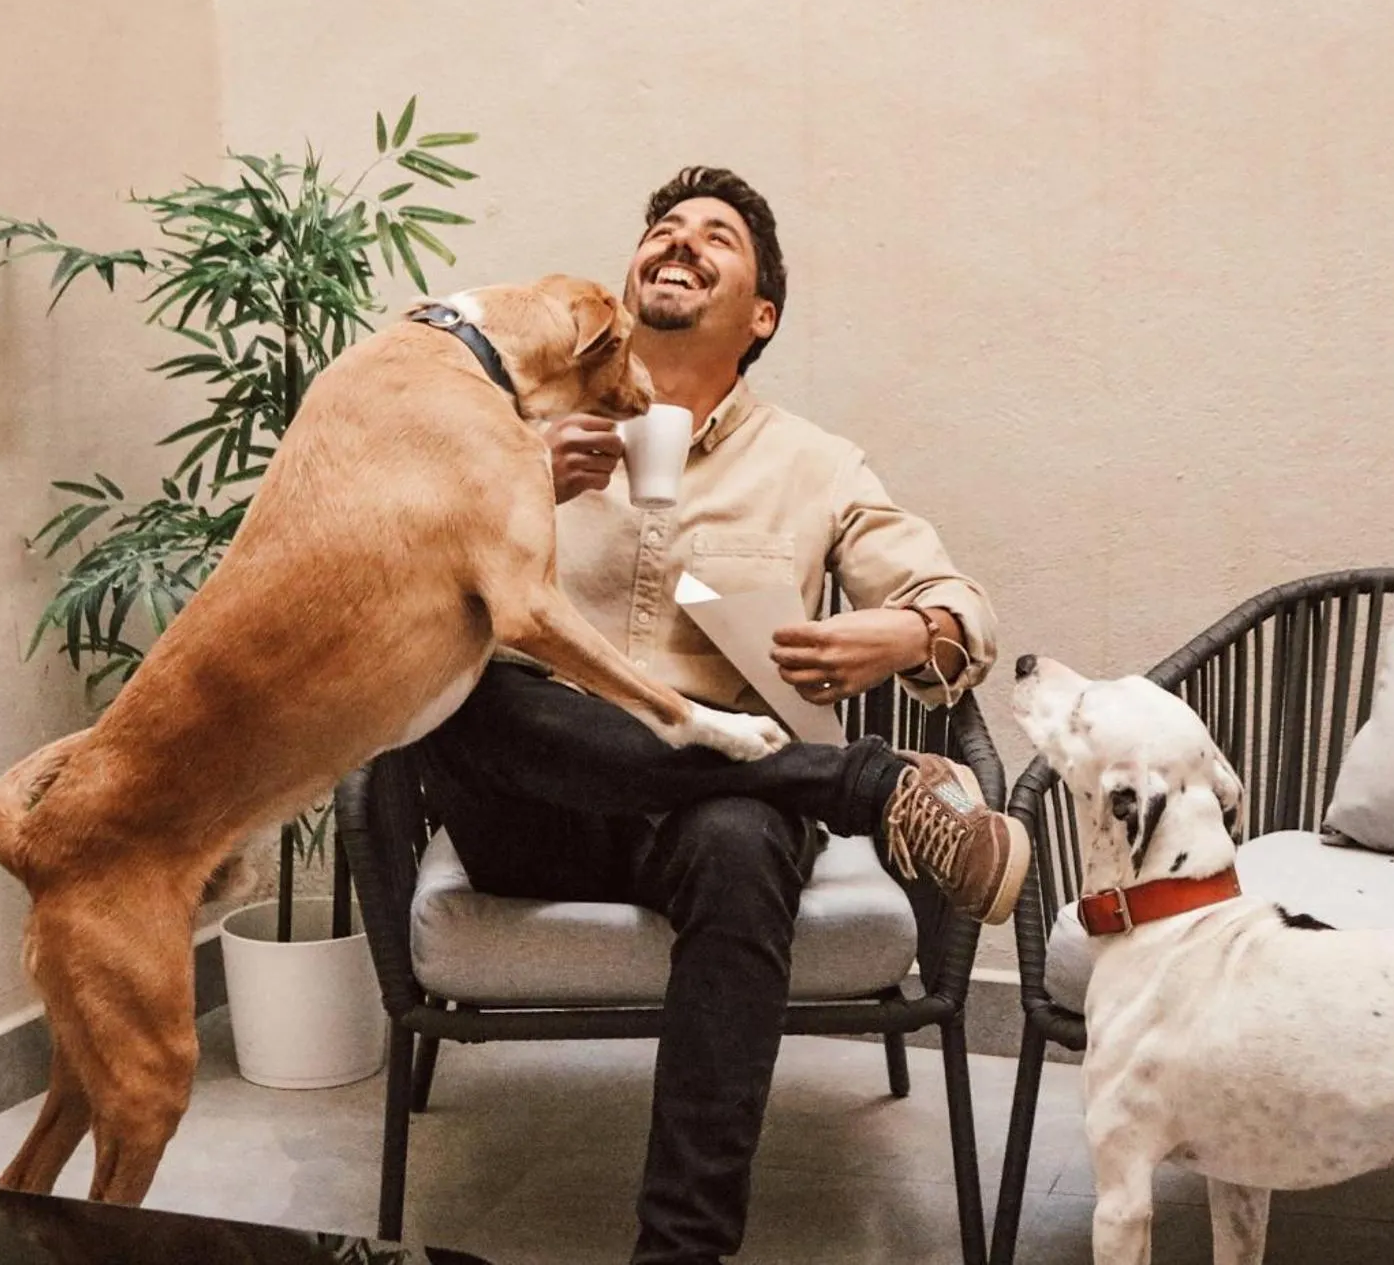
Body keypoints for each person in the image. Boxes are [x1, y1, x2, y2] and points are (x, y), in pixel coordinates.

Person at [410, 166, 1021, 1265]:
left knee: (741, 837)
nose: (678, 245)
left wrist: (907, 634)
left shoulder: (814, 465)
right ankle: (859, 788)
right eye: (661, 231)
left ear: (761, 314)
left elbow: (959, 605)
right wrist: (518, 482)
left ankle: (679, 1254)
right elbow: (405, 583)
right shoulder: (519, 421)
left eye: (715, 238)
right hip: (537, 802)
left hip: (707, 821)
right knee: (467, 692)